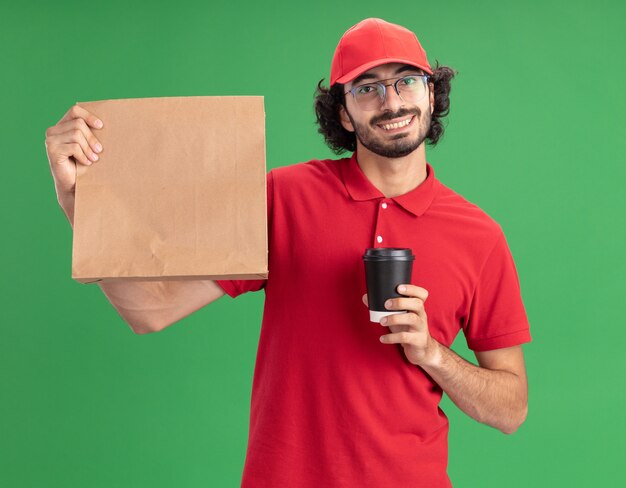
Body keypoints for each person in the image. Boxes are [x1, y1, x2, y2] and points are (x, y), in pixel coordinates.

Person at [45, 17, 531, 488]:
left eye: (406, 81)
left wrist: (433, 354)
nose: (391, 101)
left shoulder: (480, 235)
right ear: (343, 112)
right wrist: (77, 201)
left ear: (431, 91)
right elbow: (150, 310)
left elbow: (510, 409)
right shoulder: (285, 196)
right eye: (366, 87)